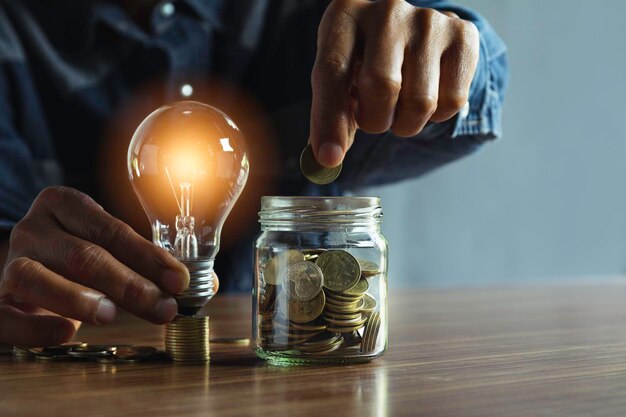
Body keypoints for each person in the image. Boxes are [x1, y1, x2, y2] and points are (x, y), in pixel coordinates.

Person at [0, 0, 508, 347]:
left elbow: (473, 88)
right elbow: (9, 241)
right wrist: (9, 260)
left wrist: (442, 44)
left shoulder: (317, 16)